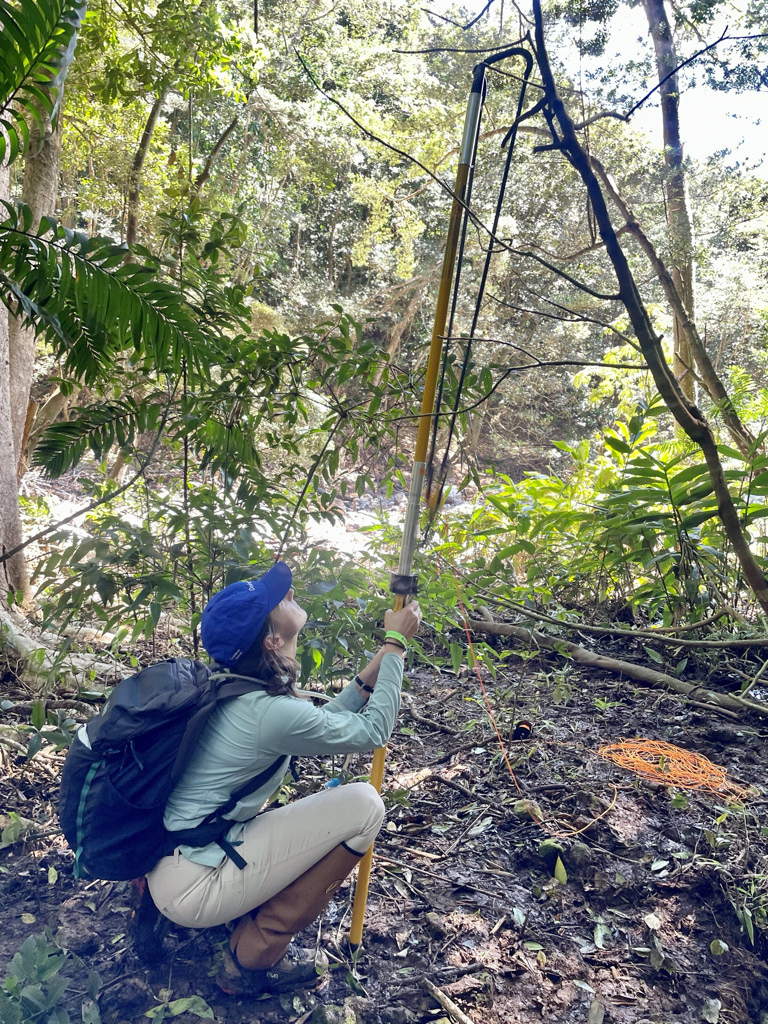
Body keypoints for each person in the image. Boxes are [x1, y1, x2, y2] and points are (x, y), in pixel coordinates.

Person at [145, 561, 422, 997]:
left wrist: (376, 667)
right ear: (272, 641)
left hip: (175, 858)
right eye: (279, 600)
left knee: (349, 807)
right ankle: (250, 960)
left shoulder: (236, 684)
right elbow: (374, 732)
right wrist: (397, 644)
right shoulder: (266, 710)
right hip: (194, 885)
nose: (288, 595)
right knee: (366, 805)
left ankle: (173, 916)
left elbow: (315, 721)